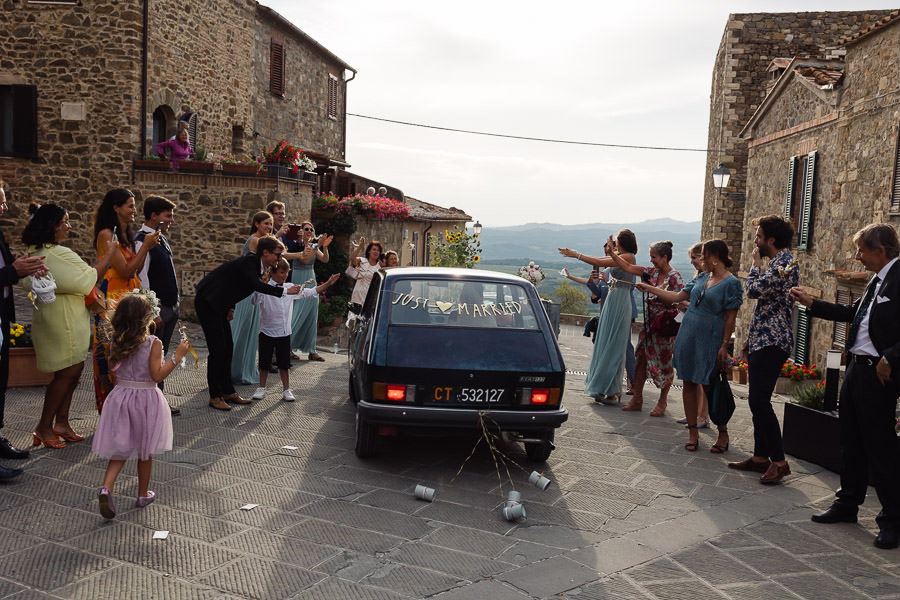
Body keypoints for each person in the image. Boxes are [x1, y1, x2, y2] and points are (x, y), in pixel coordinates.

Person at [791, 223, 900, 550]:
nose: (857, 257)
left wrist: (891, 356)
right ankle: (847, 505)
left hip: (879, 375)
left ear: (881, 251)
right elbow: (854, 314)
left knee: (880, 448)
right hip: (856, 369)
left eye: (862, 251)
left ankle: (892, 521)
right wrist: (813, 304)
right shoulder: (876, 280)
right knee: (849, 440)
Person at [23, 203, 116, 450]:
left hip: (62, 318)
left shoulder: (38, 252)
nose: (69, 226)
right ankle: (44, 426)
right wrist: (109, 255)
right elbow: (87, 278)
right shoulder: (53, 254)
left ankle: (61, 423)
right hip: (63, 322)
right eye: (65, 221)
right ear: (52, 225)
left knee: (72, 375)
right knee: (66, 375)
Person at [637, 240, 742, 453]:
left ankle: (722, 432)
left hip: (710, 338)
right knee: (689, 383)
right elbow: (676, 297)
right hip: (688, 334)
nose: (700, 260)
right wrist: (650, 288)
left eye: (703, 256)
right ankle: (693, 433)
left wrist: (724, 346)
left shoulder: (732, 283)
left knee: (710, 384)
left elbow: (730, 319)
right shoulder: (702, 277)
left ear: (714, 257)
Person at [92, 293, 190, 519]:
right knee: (145, 451)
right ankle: (143, 494)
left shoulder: (116, 341)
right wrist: (176, 357)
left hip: (121, 398)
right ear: (148, 319)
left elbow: (112, 368)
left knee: (120, 449)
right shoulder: (153, 343)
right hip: (145, 399)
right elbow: (156, 376)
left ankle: (106, 487)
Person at [195, 235, 304, 410]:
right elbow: (255, 285)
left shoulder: (259, 266)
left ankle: (228, 391)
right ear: (266, 252)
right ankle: (215, 396)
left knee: (228, 347)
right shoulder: (250, 262)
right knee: (218, 350)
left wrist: (230, 307)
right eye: (278, 254)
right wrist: (284, 292)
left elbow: (231, 285)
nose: (280, 258)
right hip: (208, 301)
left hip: (220, 303)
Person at [729, 215, 798, 484]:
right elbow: (766, 305)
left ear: (771, 240)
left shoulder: (785, 263)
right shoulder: (778, 263)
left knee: (760, 401)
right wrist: (750, 338)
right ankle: (760, 457)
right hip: (763, 339)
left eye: (758, 237)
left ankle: (779, 461)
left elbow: (755, 290)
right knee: (757, 401)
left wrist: (755, 266)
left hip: (773, 342)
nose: (755, 242)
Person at [93, 189, 160, 412]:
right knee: (110, 351)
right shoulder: (106, 234)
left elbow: (136, 270)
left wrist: (145, 251)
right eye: (130, 206)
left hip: (129, 294)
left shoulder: (126, 234)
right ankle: (110, 407)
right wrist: (146, 248)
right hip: (112, 297)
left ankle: (127, 405)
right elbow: (124, 270)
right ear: (116, 208)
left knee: (133, 350)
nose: (134, 210)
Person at [559, 229, 638, 404]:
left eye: (617, 242)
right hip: (612, 299)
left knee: (615, 345)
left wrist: (576, 255)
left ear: (622, 243)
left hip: (620, 300)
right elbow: (601, 261)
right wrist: (610, 251)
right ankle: (606, 387)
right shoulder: (622, 256)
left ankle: (613, 389)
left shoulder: (629, 257)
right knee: (605, 342)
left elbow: (597, 261)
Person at [0, 181, 46, 478]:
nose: (5, 207)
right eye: (0, 201)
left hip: (2, 319)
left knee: (0, 381)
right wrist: (12, 271)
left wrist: (23, 270)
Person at [608, 240, 685, 416]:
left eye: (654, 257)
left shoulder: (675, 277)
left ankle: (662, 401)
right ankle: (637, 398)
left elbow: (676, 300)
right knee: (640, 359)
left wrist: (650, 288)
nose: (651, 260)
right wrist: (613, 254)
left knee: (664, 363)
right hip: (649, 325)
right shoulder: (651, 272)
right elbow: (628, 267)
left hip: (665, 328)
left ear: (665, 257)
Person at [251, 259, 340, 402]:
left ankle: (286, 389)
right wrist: (262, 284)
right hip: (266, 330)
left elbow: (310, 292)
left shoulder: (290, 287)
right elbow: (254, 301)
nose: (285, 275)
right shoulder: (265, 287)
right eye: (281, 272)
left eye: (286, 272)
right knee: (264, 362)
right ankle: (262, 387)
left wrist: (328, 284)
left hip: (284, 332)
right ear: (272, 272)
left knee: (284, 363)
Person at [135, 195, 181, 415]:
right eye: (167, 215)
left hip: (170, 307)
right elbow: (142, 278)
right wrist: (152, 311)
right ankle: (151, 402)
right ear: (153, 215)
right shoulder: (141, 240)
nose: (171, 219)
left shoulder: (160, 237)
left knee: (161, 356)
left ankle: (158, 400)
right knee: (152, 357)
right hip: (157, 310)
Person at [231, 211, 277, 384]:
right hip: (245, 291)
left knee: (249, 331)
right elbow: (252, 266)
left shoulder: (262, 241)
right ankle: (232, 370)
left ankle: (241, 370)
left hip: (253, 290)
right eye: (266, 223)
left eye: (270, 224)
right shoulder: (255, 240)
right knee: (241, 330)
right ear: (256, 224)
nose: (269, 227)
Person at [675, 243, 710, 429]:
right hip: (693, 329)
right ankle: (694, 414)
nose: (692, 261)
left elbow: (705, 307)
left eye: (695, 257)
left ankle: (703, 416)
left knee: (702, 378)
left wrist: (687, 306)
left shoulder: (712, 279)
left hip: (704, 332)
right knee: (694, 378)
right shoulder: (700, 277)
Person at [286, 220, 332, 362]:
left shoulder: (313, 246)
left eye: (311, 230)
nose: (309, 231)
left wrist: (324, 247)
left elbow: (325, 259)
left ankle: (312, 350)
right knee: (297, 313)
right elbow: (305, 260)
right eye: (306, 229)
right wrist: (317, 245)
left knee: (312, 314)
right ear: (300, 230)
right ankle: (286, 346)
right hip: (298, 278)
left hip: (311, 279)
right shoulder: (296, 245)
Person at [349, 238, 382, 308]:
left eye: (378, 250)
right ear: (369, 251)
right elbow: (352, 259)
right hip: (357, 296)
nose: (376, 252)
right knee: (353, 317)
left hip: (369, 299)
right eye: (374, 249)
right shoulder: (361, 261)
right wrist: (360, 246)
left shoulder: (379, 269)